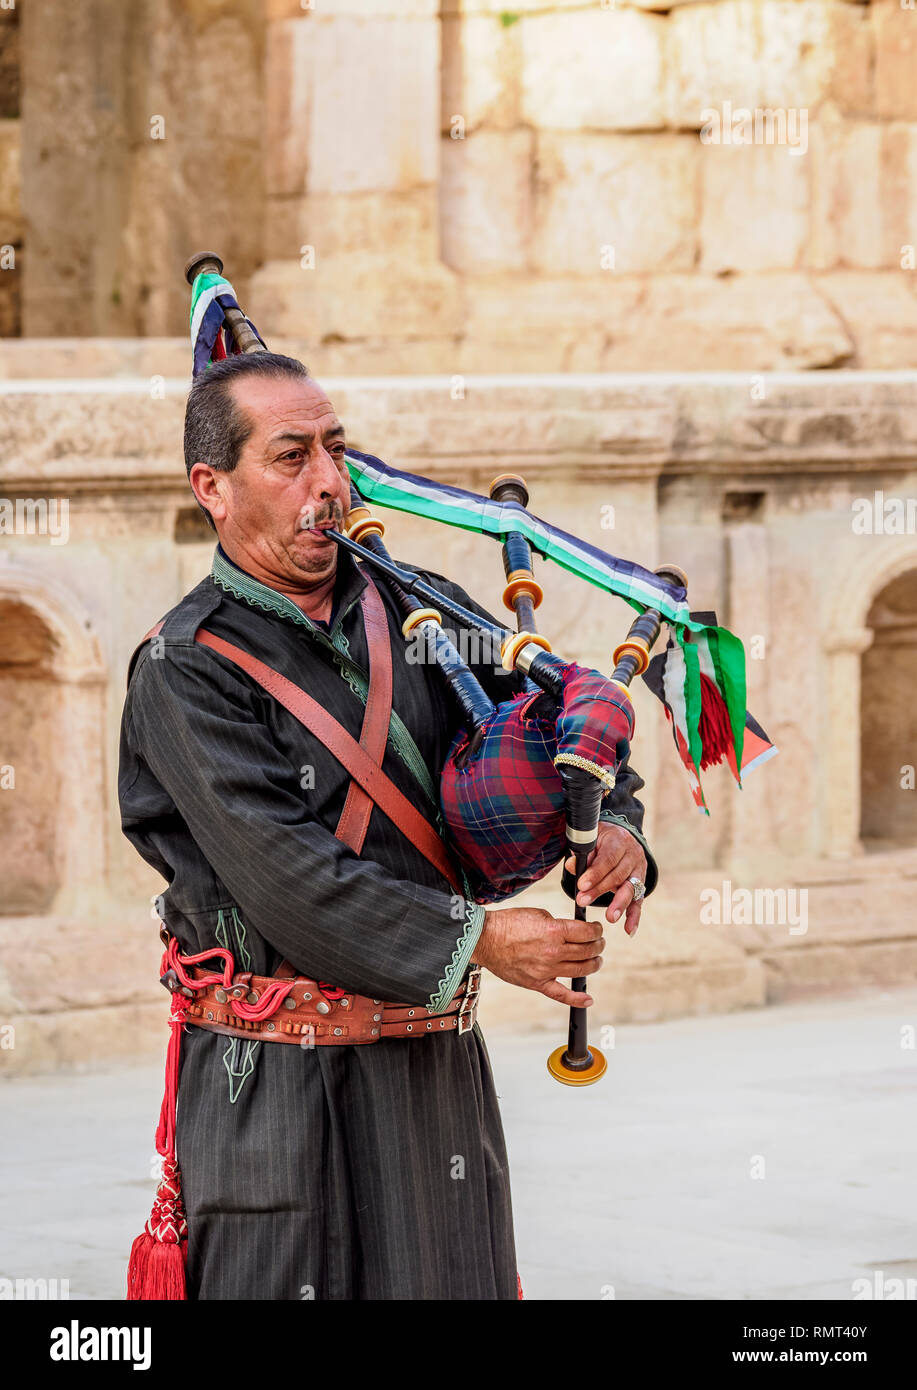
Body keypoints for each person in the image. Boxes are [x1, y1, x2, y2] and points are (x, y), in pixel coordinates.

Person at [118, 352, 657, 1300]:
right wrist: (484, 937)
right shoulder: (181, 668)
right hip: (274, 1088)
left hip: (432, 1073)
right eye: (291, 457)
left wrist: (614, 826)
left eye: (335, 448)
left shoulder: (422, 603)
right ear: (213, 487)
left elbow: (559, 717)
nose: (329, 481)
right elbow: (287, 877)